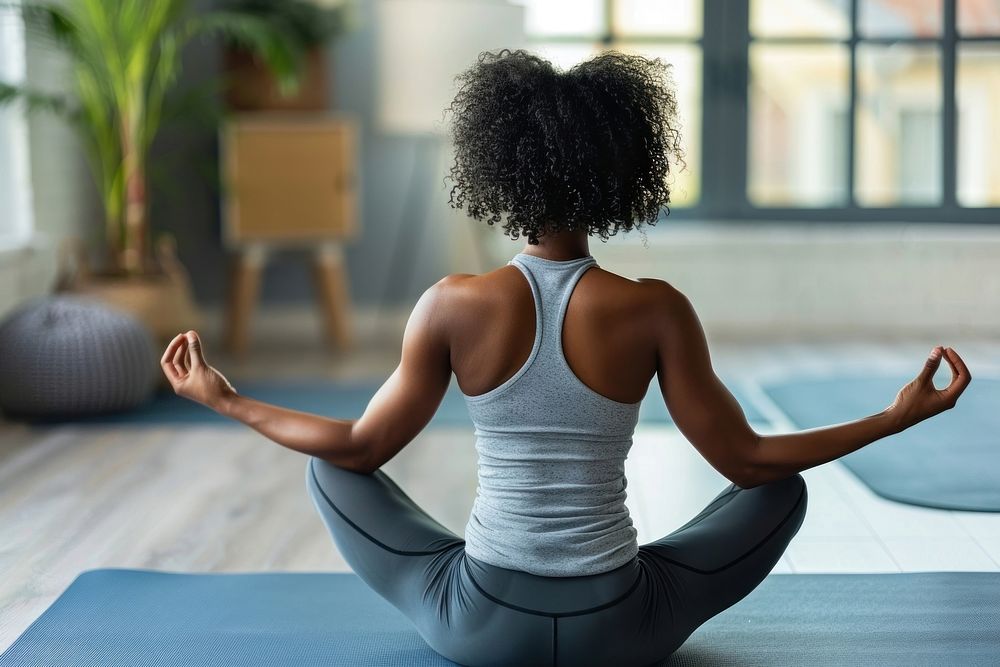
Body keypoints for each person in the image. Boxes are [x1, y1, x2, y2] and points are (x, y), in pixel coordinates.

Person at [160, 49, 972, 667]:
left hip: (477, 625)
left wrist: (227, 399)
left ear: (495, 171)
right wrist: (894, 417)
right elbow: (751, 462)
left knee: (327, 464)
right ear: (620, 173)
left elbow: (360, 450)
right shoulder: (655, 308)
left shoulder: (450, 302)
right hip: (622, 629)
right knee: (781, 491)